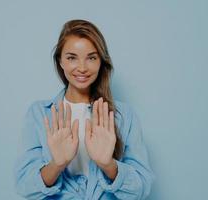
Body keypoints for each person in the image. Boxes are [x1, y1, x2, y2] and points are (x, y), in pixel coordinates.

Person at [14, 19, 154, 200]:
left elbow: (141, 189)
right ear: (60, 61)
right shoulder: (39, 113)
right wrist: (57, 164)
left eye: (91, 58)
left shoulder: (124, 116)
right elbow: (25, 187)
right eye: (72, 57)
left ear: (101, 62)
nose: (82, 68)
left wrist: (108, 165)